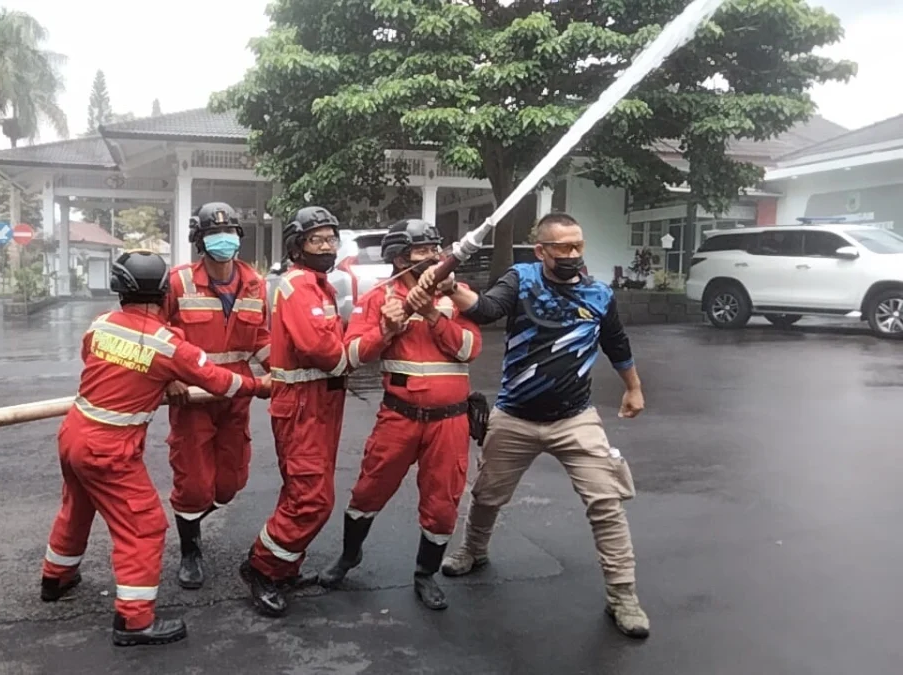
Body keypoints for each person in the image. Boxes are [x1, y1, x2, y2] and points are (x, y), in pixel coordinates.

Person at [409, 211, 650, 638]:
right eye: (564, 248)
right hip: (515, 415)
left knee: (606, 503)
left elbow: (616, 343)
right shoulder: (522, 279)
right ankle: (473, 549)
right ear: (542, 250)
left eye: (579, 246)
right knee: (487, 494)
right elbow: (487, 309)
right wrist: (450, 287)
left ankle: (623, 595)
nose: (574, 254)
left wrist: (633, 387)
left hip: (576, 419)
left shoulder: (598, 294)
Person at [39, 249, 271, 648]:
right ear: (165, 292)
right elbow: (219, 382)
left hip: (74, 434)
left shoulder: (100, 326)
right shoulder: (168, 346)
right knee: (144, 526)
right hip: (109, 448)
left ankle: (55, 578)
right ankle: (134, 621)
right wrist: (258, 386)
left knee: (77, 507)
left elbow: (100, 363)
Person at [319, 219, 484, 610]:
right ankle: (349, 555)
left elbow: (469, 350)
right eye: (421, 251)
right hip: (399, 416)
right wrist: (386, 329)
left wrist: (432, 316)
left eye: (434, 250)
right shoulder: (378, 298)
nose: (432, 258)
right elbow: (353, 355)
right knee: (368, 490)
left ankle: (425, 575)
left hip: (450, 421)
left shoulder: (455, 297)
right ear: (398, 259)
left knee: (443, 502)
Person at [240, 206, 347, 617]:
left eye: (330, 239)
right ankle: (261, 568)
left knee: (302, 491)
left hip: (320, 404)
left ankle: (283, 567)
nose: (326, 246)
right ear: (297, 246)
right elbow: (321, 350)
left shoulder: (321, 285)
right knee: (312, 499)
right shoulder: (299, 285)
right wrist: (359, 350)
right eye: (316, 240)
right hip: (304, 405)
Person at [163, 202, 270, 590]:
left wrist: (280, 372)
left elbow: (260, 338)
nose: (222, 240)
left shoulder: (256, 283)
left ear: (238, 238)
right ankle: (190, 550)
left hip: (237, 397)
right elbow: (159, 335)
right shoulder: (177, 283)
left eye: (228, 233)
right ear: (200, 241)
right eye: (212, 234)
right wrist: (167, 379)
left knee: (230, 483)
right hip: (192, 399)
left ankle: (189, 515)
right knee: (193, 484)